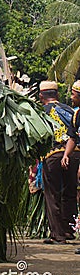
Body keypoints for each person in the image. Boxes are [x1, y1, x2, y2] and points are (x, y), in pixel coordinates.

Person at [39, 80, 79, 244]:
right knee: (70, 192)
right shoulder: (70, 110)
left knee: (52, 194)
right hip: (74, 153)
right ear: (56, 95)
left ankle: (58, 234)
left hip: (53, 154)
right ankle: (69, 230)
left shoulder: (41, 112)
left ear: (41, 96)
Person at [60, 80, 80, 253]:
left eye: (73, 94)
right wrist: (67, 154)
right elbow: (72, 137)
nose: (71, 97)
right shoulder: (76, 115)